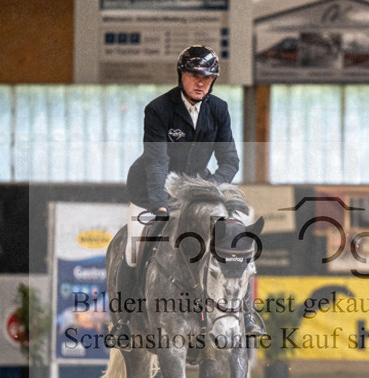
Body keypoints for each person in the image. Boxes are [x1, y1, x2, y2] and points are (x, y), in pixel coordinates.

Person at [112, 45, 264, 344]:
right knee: (134, 246)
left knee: (235, 237)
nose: (201, 82)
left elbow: (230, 160)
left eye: (208, 77)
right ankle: (125, 319)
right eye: (195, 75)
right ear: (181, 75)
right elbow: (157, 161)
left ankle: (245, 313)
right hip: (151, 190)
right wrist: (159, 202)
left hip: (199, 191)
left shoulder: (218, 109)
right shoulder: (158, 109)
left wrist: (210, 191)